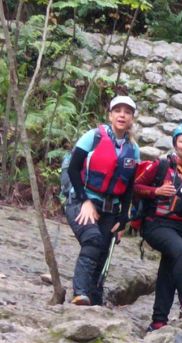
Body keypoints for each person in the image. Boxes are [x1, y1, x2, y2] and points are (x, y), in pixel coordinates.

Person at [64, 95, 141, 306]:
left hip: (111, 208)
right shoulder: (93, 137)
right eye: (118, 111)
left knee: (103, 251)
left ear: (132, 118)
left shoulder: (133, 150)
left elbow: (128, 187)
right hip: (81, 200)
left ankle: (95, 299)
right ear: (110, 115)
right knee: (93, 240)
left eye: (127, 112)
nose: (122, 115)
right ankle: (79, 293)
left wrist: (124, 218)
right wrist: (85, 201)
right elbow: (73, 168)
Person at [134, 123, 182, 331]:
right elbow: (135, 186)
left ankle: (158, 321)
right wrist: (156, 191)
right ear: (175, 144)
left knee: (168, 271)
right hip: (157, 225)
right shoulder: (161, 166)